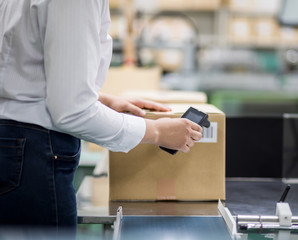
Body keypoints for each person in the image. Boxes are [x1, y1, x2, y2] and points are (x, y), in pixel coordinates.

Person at [0, 0, 203, 234]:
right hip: (33, 158)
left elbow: (23, 69)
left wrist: (101, 99)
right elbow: (72, 112)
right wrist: (157, 132)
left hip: (14, 146)